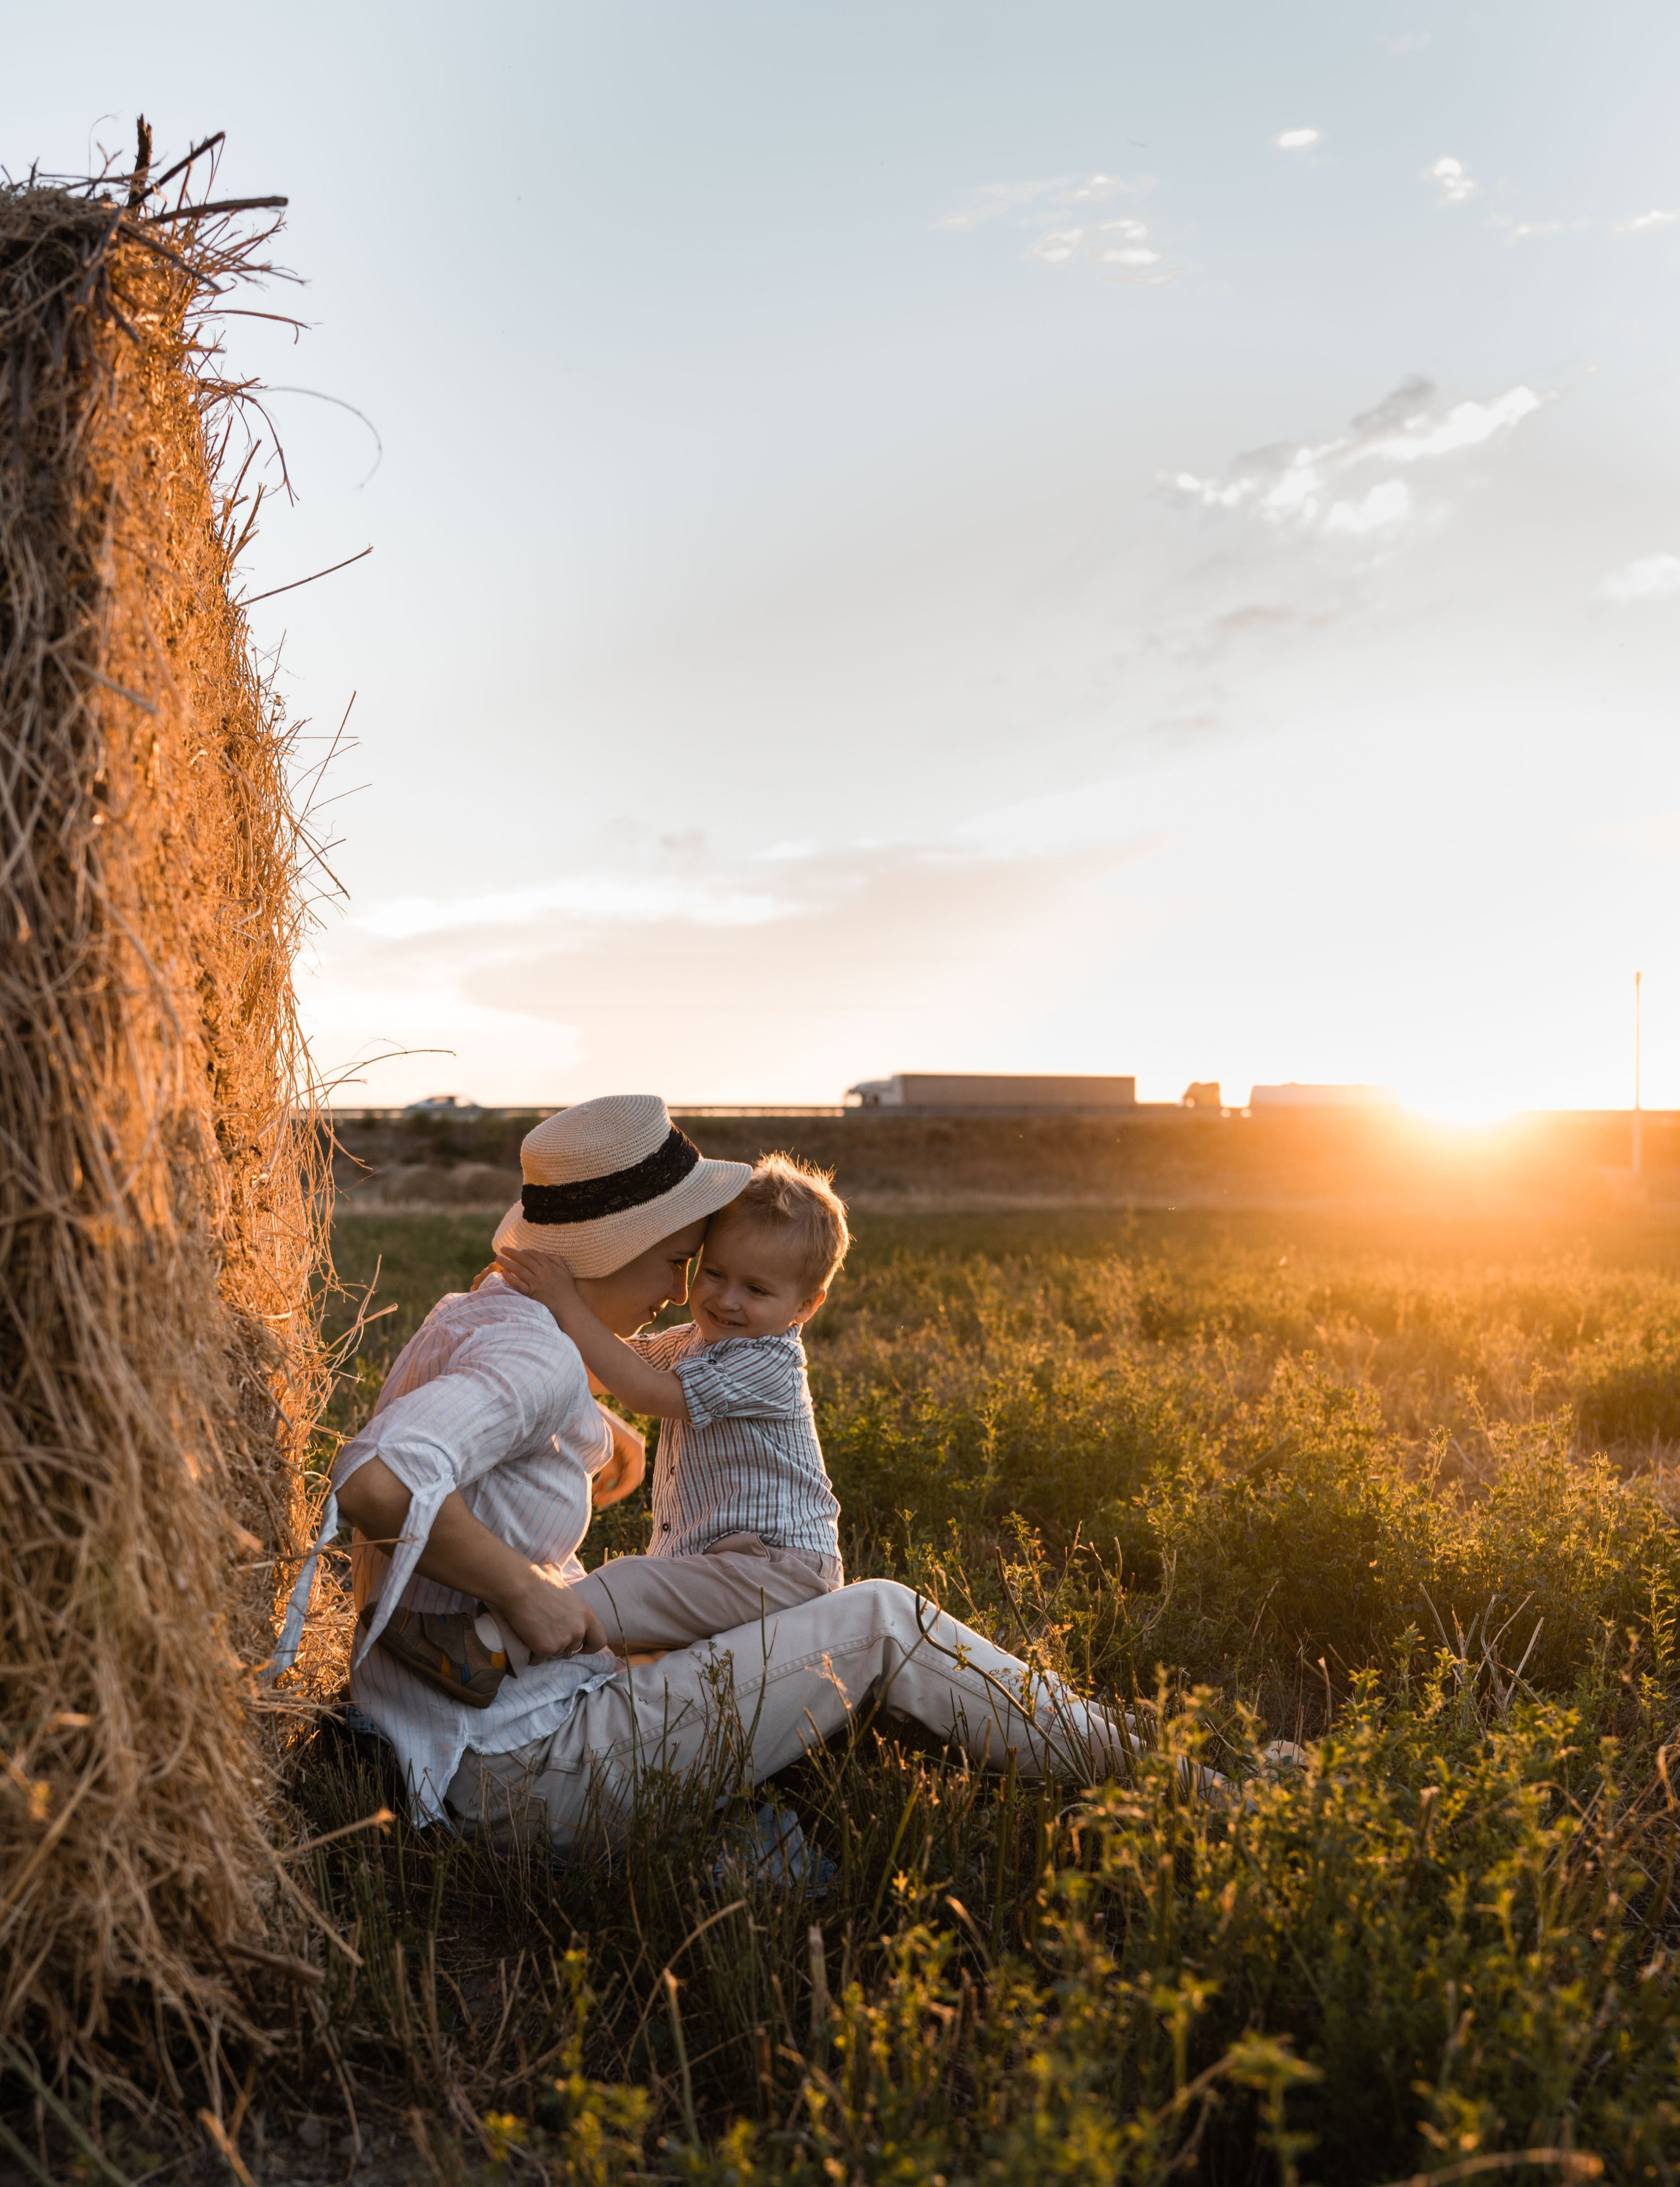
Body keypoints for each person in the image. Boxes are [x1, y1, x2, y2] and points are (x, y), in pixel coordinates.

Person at [267, 1095, 1188, 1838]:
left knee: (787, 1645)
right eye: (679, 1260)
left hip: (479, 1732)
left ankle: (1114, 1750)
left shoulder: (474, 1316)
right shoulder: (532, 1358)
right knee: (881, 1621)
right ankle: (1173, 1779)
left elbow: (521, 1395)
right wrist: (521, 1590)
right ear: (613, 1252)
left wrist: (589, 1423)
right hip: (521, 1766)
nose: (685, 1289)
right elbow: (374, 1478)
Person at [492, 1150, 848, 1661]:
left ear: (805, 1307)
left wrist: (564, 1300)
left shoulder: (770, 1362)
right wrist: (522, 1302)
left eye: (756, 1289)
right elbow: (596, 1366)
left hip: (778, 1573)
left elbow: (645, 1391)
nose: (725, 1299)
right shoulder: (692, 1342)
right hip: (713, 1568)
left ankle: (480, 1647)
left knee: (626, 1582)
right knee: (622, 1656)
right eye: (715, 1273)